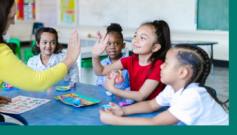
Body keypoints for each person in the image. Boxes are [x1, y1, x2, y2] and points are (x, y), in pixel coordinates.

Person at [99, 44, 229, 125]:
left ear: (182, 72)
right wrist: (122, 111)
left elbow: (154, 123)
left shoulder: (193, 95)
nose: (161, 65)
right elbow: (151, 105)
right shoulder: (172, 89)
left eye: (166, 63)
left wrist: (115, 121)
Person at [92, 20, 171, 101]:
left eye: (142, 38)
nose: (135, 40)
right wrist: (95, 56)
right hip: (135, 106)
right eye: (135, 36)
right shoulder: (130, 60)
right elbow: (100, 71)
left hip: (153, 111)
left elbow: (141, 95)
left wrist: (113, 89)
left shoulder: (158, 66)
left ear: (155, 47)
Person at [95, 23, 130, 96]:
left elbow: (132, 86)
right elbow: (99, 84)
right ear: (104, 46)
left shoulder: (129, 63)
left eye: (116, 43)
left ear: (123, 45)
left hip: (122, 99)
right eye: (108, 43)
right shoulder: (102, 63)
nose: (112, 47)